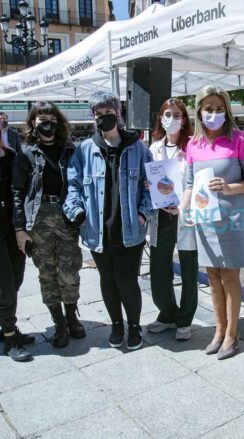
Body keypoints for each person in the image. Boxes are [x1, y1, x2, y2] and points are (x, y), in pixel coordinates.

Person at [64, 91, 153, 351]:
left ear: (118, 113)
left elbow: (154, 186)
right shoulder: (84, 150)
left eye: (109, 112)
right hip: (97, 230)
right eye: (99, 114)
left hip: (130, 229)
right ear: (93, 117)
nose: (104, 117)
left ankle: (134, 325)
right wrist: (77, 212)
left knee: (127, 280)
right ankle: (116, 324)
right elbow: (73, 185)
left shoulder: (138, 147)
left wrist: (143, 212)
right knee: (108, 280)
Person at [180, 86, 244, 360]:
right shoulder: (193, 144)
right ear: (199, 112)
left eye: (218, 109)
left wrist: (229, 187)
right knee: (212, 277)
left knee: (230, 276)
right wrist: (184, 207)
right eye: (208, 109)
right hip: (205, 220)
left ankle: (232, 333)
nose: (213, 114)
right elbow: (190, 183)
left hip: (233, 218)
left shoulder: (239, 139)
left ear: (226, 111)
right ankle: (219, 329)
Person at [12, 102, 85, 349]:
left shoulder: (70, 150)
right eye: (42, 119)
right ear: (33, 123)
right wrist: (20, 229)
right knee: (47, 272)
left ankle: (72, 316)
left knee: (70, 269)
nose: (47, 124)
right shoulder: (25, 153)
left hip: (65, 214)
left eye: (52, 119)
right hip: (39, 216)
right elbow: (17, 191)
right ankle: (59, 324)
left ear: (59, 122)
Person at [147, 98, 198, 341]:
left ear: (184, 119)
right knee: (158, 268)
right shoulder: (153, 148)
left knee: (188, 269)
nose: (172, 118)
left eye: (177, 115)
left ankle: (184, 319)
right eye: (167, 113)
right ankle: (167, 313)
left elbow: (199, 184)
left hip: (186, 216)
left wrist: (185, 205)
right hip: (161, 216)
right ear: (160, 117)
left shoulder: (193, 148)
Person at [0, 138, 34, 361]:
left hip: (13, 229)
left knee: (17, 279)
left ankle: (6, 325)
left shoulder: (13, 156)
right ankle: (10, 337)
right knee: (5, 285)